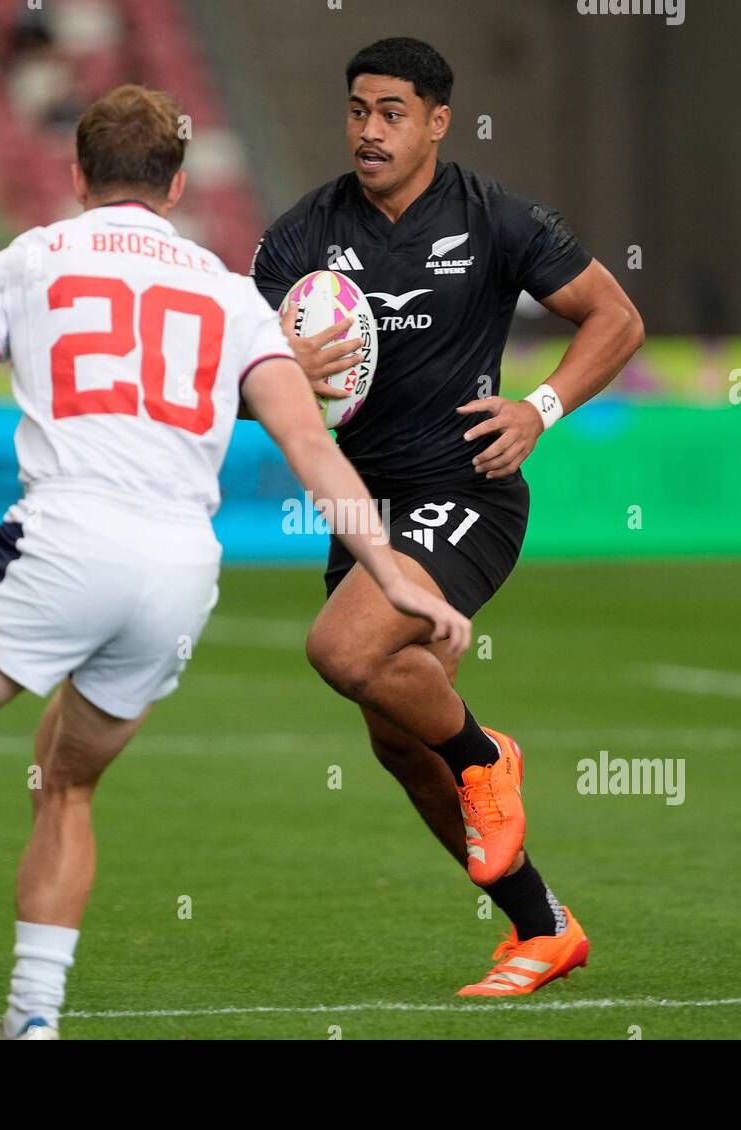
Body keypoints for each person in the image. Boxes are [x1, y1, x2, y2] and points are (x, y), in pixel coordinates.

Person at [0, 83, 470, 1040]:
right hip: (182, 574)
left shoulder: (31, 260)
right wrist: (395, 572)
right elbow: (315, 451)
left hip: (69, 541)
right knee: (64, 783)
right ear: (180, 182)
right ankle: (32, 1019)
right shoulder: (233, 295)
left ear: (75, 176)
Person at [250, 38, 644, 996]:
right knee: (396, 738)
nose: (369, 130)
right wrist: (274, 378)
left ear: (436, 121)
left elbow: (617, 319)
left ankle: (486, 753)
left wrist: (539, 409)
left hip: (468, 492)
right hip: (367, 513)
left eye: (391, 112)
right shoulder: (300, 236)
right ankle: (542, 926)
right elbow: (230, 377)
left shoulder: (498, 217)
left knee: (344, 653)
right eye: (356, 110)